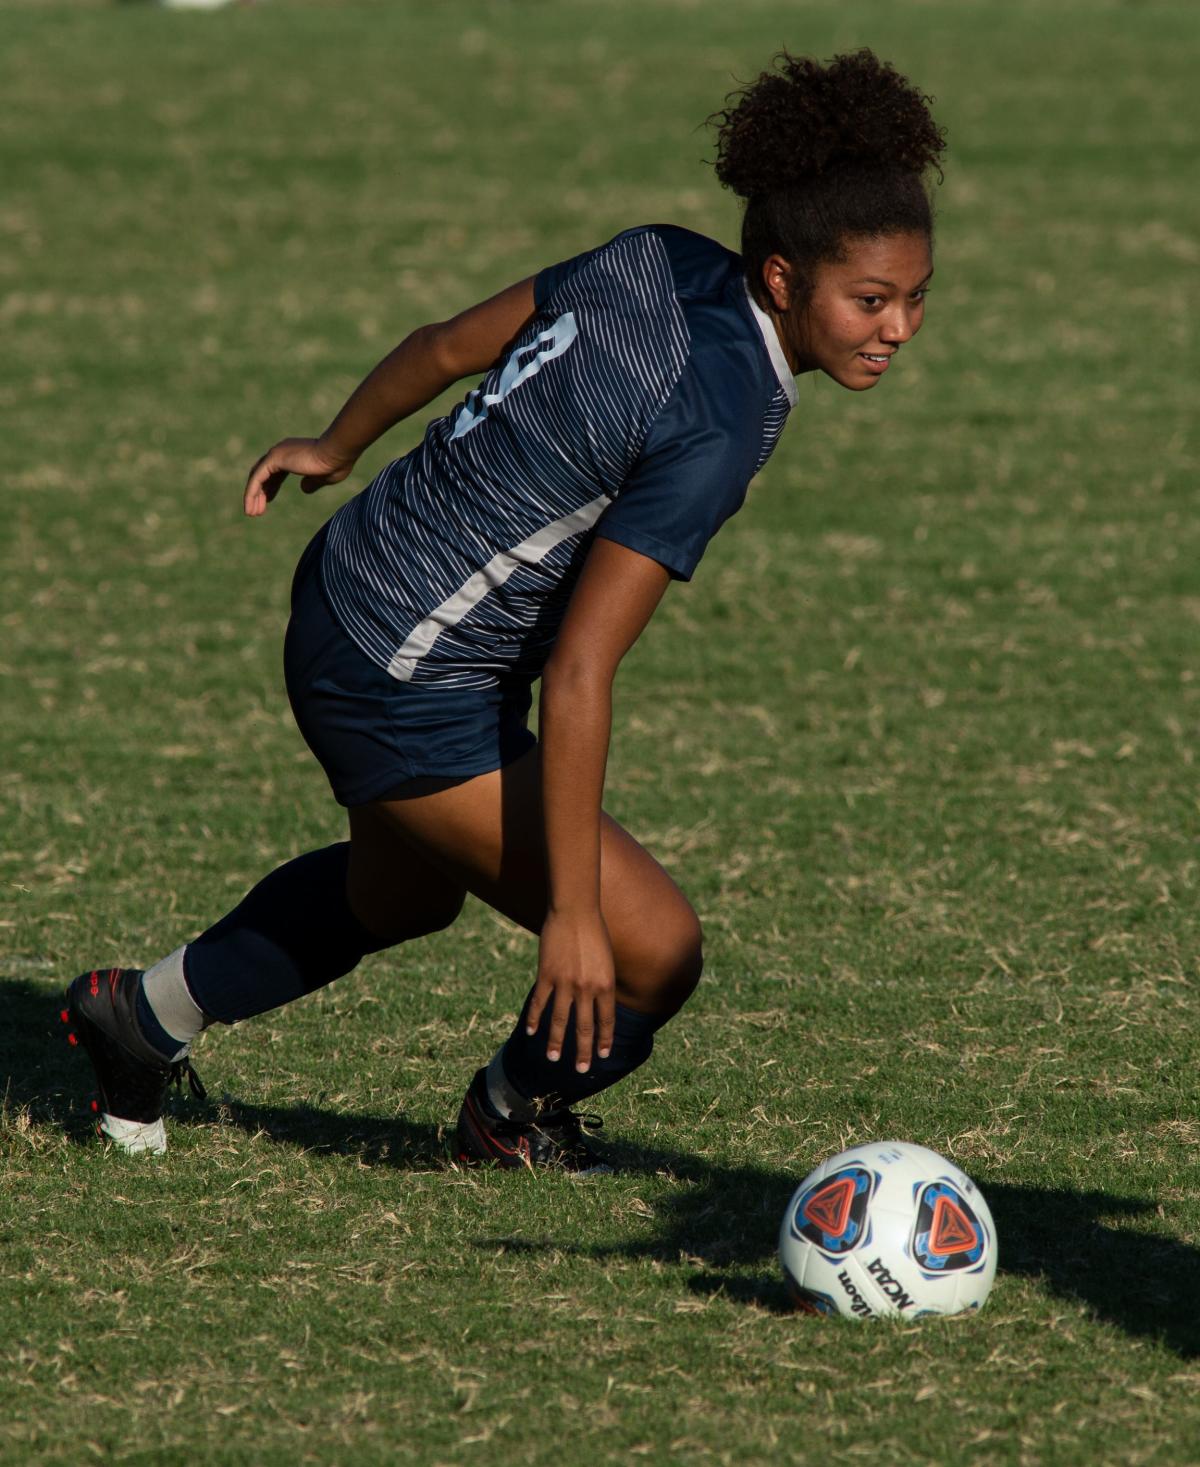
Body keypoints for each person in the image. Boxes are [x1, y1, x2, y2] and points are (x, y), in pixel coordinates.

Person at [62, 49, 946, 1165]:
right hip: (406, 671)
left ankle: (138, 1019)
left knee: (398, 899)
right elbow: (583, 669)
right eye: (870, 300)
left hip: (355, 584)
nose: (898, 328)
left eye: (916, 298)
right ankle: (506, 1118)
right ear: (782, 278)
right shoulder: (721, 419)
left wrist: (339, 445)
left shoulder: (659, 254)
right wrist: (572, 915)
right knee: (652, 952)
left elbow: (442, 346)